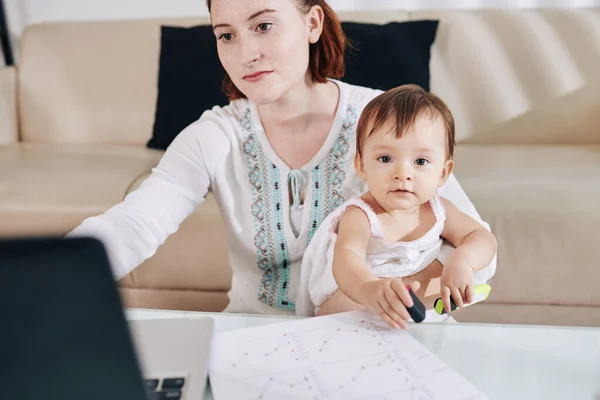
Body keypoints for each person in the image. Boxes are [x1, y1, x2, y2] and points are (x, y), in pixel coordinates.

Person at [68, 0, 496, 317]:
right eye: (226, 35)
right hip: (249, 336)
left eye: (264, 25)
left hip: (366, 336)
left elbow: (478, 247)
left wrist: (407, 286)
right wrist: (42, 281)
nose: (244, 54)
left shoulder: (382, 126)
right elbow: (136, 223)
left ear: (312, 22)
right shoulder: (213, 136)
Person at [294, 85, 498, 328]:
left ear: (443, 173)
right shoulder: (361, 215)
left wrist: (462, 260)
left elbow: (481, 237)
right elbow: (347, 257)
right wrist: (368, 287)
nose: (402, 173)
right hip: (360, 314)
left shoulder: (439, 210)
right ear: (361, 165)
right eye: (385, 159)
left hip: (420, 319)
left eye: (420, 161)